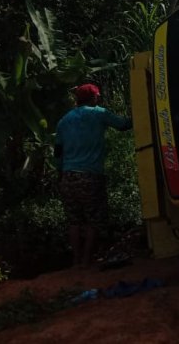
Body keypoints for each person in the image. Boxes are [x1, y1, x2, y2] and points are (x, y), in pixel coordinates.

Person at [54, 84, 132, 268]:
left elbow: (58, 152)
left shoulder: (64, 121)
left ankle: (76, 261)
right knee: (93, 220)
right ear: (94, 98)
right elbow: (123, 125)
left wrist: (61, 174)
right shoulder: (99, 113)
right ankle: (87, 260)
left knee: (74, 221)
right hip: (90, 175)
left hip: (68, 176)